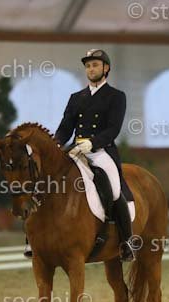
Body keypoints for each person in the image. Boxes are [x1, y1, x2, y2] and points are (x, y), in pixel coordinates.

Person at [24, 48, 135, 261]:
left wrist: (92, 143)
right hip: (75, 150)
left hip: (101, 151)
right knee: (45, 181)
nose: (91, 69)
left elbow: (113, 129)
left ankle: (126, 241)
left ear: (106, 68)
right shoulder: (76, 98)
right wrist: (55, 146)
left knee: (113, 190)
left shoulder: (116, 96)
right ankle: (32, 237)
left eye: (95, 65)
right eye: (88, 66)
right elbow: (66, 127)